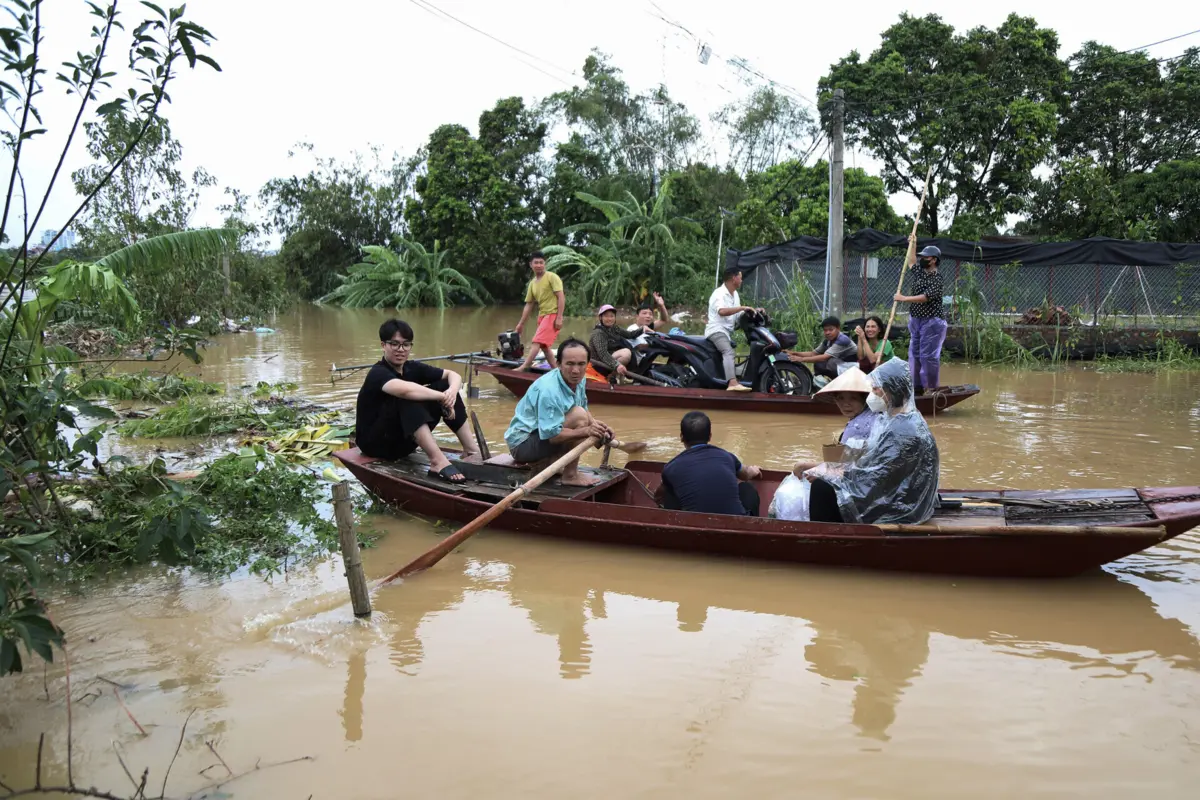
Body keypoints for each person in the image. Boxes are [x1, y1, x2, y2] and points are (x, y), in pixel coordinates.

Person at [804, 358, 939, 525]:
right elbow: (875, 466)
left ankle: (826, 538)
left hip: (901, 506)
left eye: (876, 389)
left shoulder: (902, 430)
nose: (872, 394)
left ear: (893, 390)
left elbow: (878, 476)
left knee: (821, 487)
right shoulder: (898, 419)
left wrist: (830, 473)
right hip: (899, 495)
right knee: (825, 480)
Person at [355, 319, 482, 483]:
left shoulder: (411, 367)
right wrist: (442, 397)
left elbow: (453, 375)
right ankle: (437, 461)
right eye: (394, 344)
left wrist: (450, 393)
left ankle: (471, 451)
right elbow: (405, 390)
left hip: (404, 441)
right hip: (376, 444)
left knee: (444, 385)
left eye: (406, 345)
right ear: (383, 345)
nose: (401, 350)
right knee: (406, 397)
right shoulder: (377, 373)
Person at [504, 338, 615, 487]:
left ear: (587, 364)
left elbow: (582, 408)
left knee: (582, 417)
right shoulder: (549, 390)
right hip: (522, 445)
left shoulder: (579, 379)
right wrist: (587, 430)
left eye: (581, 364)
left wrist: (599, 429)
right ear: (558, 364)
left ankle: (552, 464)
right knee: (579, 418)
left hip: (541, 437)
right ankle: (570, 475)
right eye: (569, 364)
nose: (576, 370)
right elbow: (553, 436)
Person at [659, 411, 762, 516]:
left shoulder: (671, 467)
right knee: (747, 488)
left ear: (681, 437)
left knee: (670, 493)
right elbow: (746, 474)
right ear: (710, 436)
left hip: (694, 528)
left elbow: (659, 496)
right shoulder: (727, 457)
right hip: (735, 525)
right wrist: (754, 470)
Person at [791, 366, 881, 476]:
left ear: (865, 400)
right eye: (840, 398)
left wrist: (804, 465)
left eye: (853, 398)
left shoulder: (859, 426)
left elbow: (843, 468)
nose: (845, 404)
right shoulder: (871, 415)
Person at [894, 244, 947, 395]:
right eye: (921, 257)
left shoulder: (937, 279)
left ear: (934, 260)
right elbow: (911, 261)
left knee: (927, 356)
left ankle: (931, 389)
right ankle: (916, 388)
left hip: (932, 322)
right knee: (914, 354)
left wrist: (904, 298)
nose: (922, 259)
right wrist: (913, 242)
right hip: (916, 320)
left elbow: (924, 298)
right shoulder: (920, 273)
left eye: (925, 257)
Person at [705, 267, 763, 392]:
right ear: (733, 278)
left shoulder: (735, 294)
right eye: (740, 278)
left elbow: (737, 316)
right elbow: (722, 311)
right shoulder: (719, 293)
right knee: (728, 351)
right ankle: (732, 383)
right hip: (717, 330)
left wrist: (753, 311)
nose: (741, 280)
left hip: (726, 331)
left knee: (733, 351)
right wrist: (742, 308)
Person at [514, 251, 565, 372]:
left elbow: (561, 296)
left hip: (552, 315)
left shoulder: (552, 277)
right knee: (545, 347)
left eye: (541, 262)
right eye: (536, 263)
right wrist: (521, 324)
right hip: (542, 316)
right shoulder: (532, 284)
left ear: (544, 264)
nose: (538, 265)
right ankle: (556, 370)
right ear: (531, 264)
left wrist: (559, 317)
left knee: (536, 342)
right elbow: (529, 304)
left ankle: (525, 366)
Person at [589, 304, 647, 379]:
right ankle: (610, 377)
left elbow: (630, 335)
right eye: (606, 316)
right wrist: (617, 365)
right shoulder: (598, 333)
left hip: (610, 359)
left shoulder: (614, 328)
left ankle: (616, 376)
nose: (609, 319)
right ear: (600, 318)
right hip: (599, 364)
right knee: (626, 353)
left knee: (627, 351)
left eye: (612, 316)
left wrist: (642, 329)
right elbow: (603, 354)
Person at [789, 317, 858, 379]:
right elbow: (813, 353)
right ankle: (818, 382)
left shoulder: (842, 340)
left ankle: (838, 383)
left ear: (838, 329)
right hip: (843, 366)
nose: (827, 332)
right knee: (819, 363)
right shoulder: (828, 340)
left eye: (831, 330)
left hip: (854, 369)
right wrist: (795, 353)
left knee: (830, 362)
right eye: (825, 330)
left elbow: (824, 357)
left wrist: (801, 359)